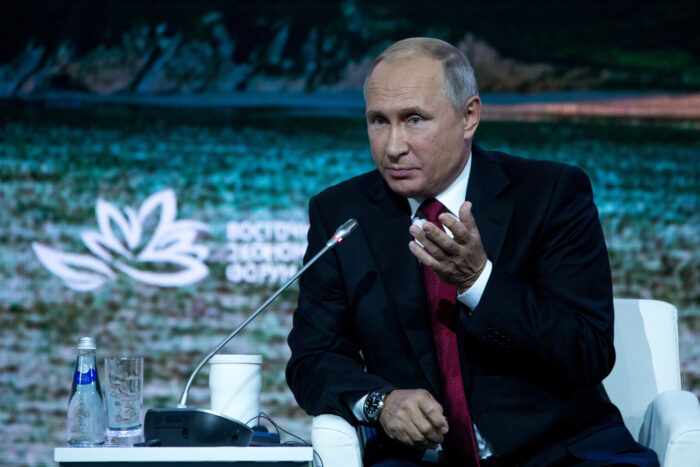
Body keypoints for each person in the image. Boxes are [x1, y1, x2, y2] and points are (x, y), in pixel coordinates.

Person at [286, 37, 659, 466]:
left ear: (469, 117)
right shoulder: (341, 214)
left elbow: (587, 351)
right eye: (378, 121)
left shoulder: (551, 194)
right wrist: (380, 403)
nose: (392, 146)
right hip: (419, 460)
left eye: (413, 119)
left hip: (561, 452)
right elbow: (313, 360)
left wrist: (478, 280)